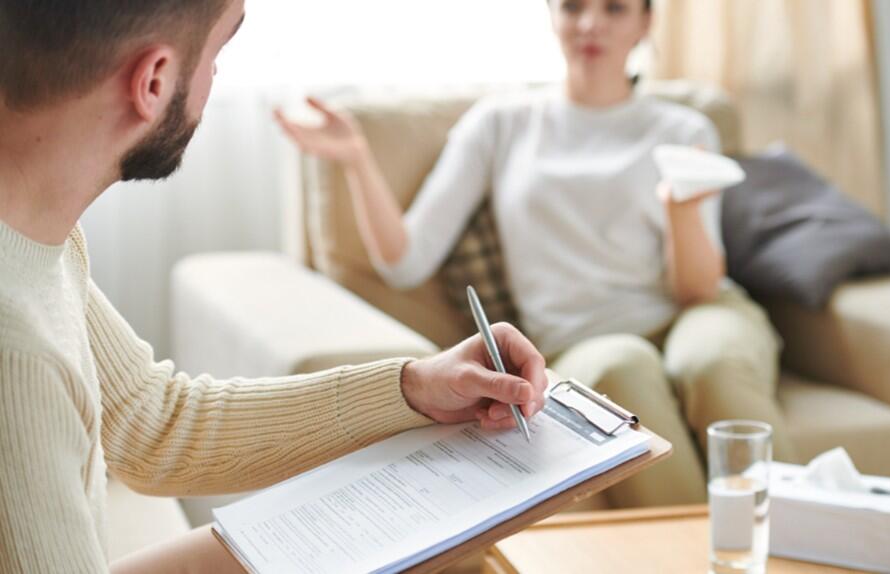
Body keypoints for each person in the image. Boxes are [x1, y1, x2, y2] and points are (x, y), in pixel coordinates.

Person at [0, 1, 549, 572]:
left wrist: (415, 387)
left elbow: (153, 422)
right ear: (154, 81)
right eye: (217, 52)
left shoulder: (38, 237)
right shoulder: (15, 347)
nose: (215, 76)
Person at [277, 0, 797, 507]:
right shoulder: (501, 123)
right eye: (572, 7)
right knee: (622, 366)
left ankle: (795, 541)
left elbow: (698, 289)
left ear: (646, 21)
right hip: (584, 338)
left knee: (711, 361)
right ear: (551, 16)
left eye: (614, 8)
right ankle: (689, 551)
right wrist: (357, 160)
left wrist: (680, 211)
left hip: (697, 312)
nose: (590, 23)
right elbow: (405, 262)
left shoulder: (684, 130)